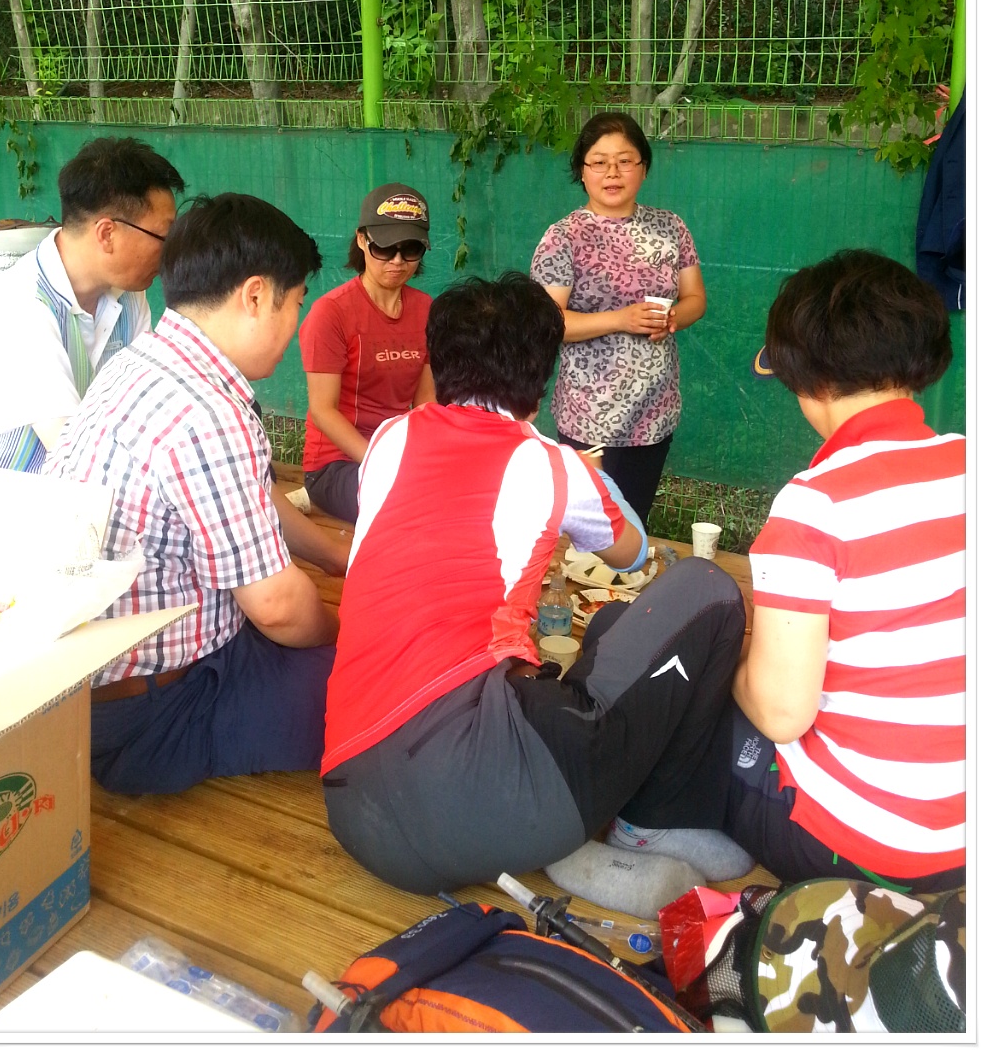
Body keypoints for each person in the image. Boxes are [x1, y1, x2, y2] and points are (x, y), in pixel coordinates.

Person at [553, 250, 964, 911]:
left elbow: (781, 711)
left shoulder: (817, 503)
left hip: (861, 849)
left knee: (679, 667)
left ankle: (646, 826)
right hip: (963, 841)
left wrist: (733, 658)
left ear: (807, 377)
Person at [320, 273, 746, 897]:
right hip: (485, 794)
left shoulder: (390, 438)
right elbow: (631, 553)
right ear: (543, 377)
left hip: (354, 809)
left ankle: (554, 825)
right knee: (706, 588)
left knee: (605, 631)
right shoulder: (550, 461)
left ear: (438, 361)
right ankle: (646, 826)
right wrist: (584, 470)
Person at [44, 193, 348, 796]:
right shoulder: (208, 413)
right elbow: (278, 609)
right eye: (296, 304)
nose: (296, 326)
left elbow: (250, 499)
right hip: (159, 716)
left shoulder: (140, 363)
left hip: (95, 692)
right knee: (390, 680)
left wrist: (338, 557)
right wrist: (351, 625)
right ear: (255, 296)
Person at [531, 111, 706, 528]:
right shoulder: (563, 237)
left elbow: (696, 298)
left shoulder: (670, 228)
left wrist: (673, 318)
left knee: (634, 523)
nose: (613, 172)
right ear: (582, 171)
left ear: (643, 168)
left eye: (625, 161)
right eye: (599, 162)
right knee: (590, 530)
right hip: (590, 415)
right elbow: (548, 323)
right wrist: (621, 319)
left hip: (655, 411)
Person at [0, 136, 185, 472]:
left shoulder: (128, 294)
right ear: (107, 234)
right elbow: (73, 456)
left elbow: (142, 407)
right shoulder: (22, 304)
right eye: (163, 237)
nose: (169, 253)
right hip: (14, 495)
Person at [299, 183, 435, 522]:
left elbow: (425, 405)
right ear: (362, 240)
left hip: (396, 455)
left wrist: (424, 459)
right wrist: (382, 461)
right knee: (410, 504)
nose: (398, 261)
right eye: (385, 248)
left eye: (411, 249)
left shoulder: (426, 310)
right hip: (334, 465)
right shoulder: (331, 313)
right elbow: (323, 410)